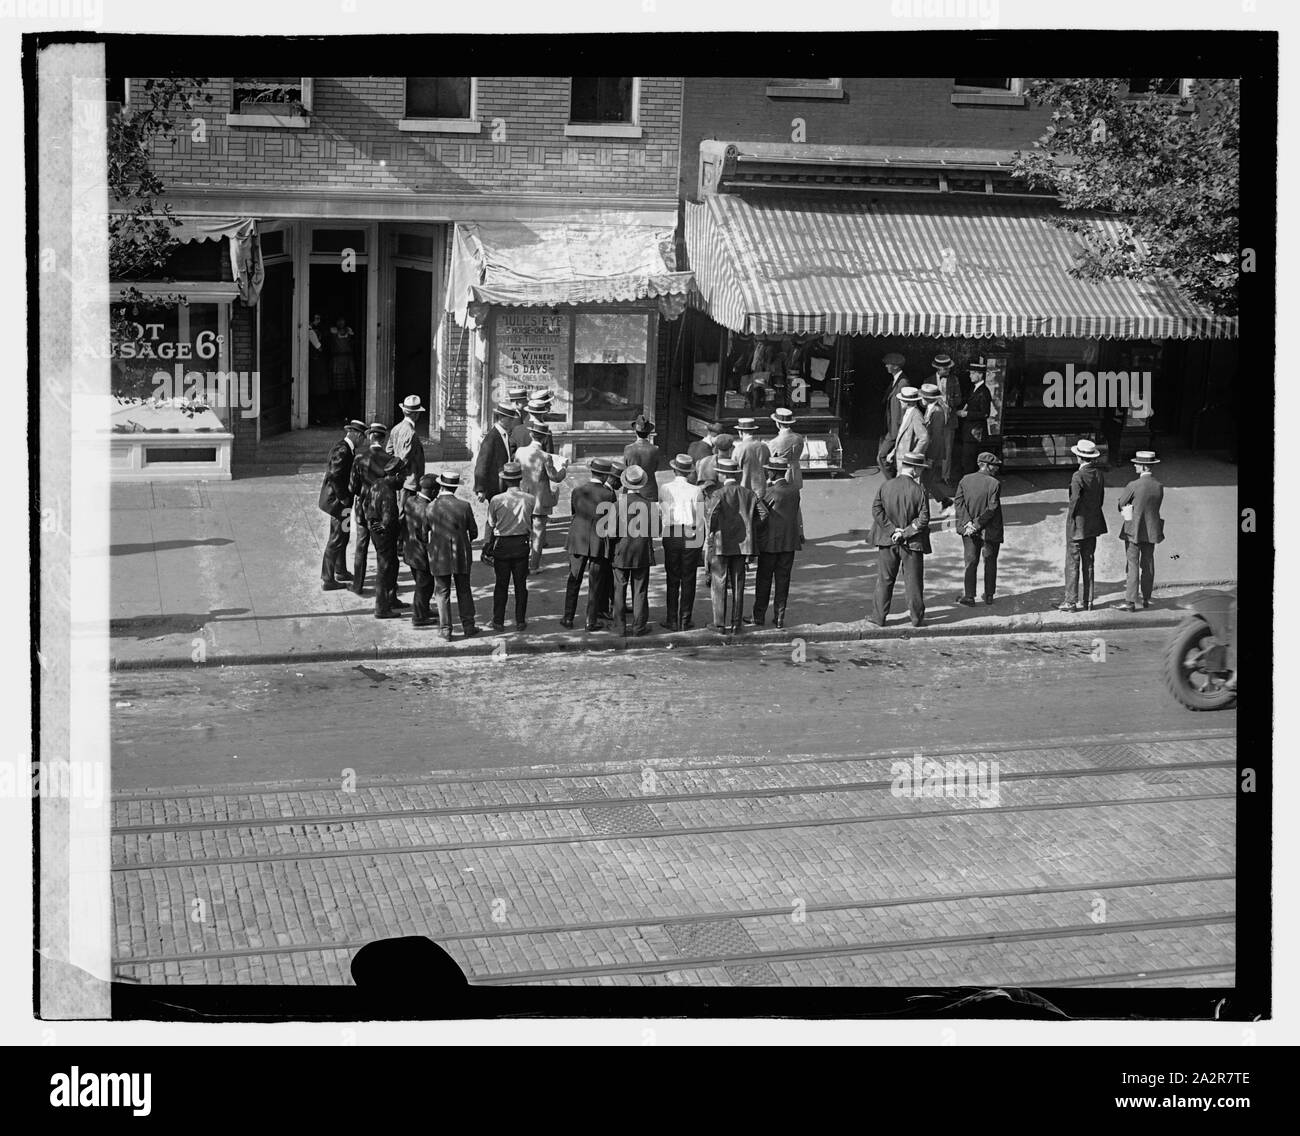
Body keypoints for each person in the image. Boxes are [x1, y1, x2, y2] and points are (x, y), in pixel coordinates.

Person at [868, 451, 931, 628]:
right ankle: (917, 618)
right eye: (921, 469)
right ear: (915, 469)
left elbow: (876, 510)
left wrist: (891, 530)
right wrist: (905, 532)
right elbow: (924, 519)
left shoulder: (886, 486)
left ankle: (879, 617)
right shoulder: (919, 490)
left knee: (885, 580)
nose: (921, 472)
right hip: (913, 543)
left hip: (887, 541)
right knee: (914, 581)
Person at [705, 455, 766, 635]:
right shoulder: (749, 494)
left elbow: (712, 515)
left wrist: (713, 530)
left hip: (720, 543)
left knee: (719, 582)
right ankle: (736, 623)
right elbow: (763, 514)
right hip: (743, 545)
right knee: (739, 583)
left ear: (723, 476)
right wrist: (749, 528)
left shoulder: (718, 493)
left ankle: (719, 624)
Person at [563, 457, 616, 632]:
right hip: (597, 542)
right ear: (605, 476)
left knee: (574, 579)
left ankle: (568, 617)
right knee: (595, 582)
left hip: (577, 539)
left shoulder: (577, 491)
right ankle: (590, 621)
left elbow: (574, 513)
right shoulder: (608, 495)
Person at [752, 455, 804, 629]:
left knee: (764, 581)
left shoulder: (771, 492)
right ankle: (779, 617)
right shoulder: (794, 490)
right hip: (789, 543)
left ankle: (758, 616)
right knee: (783, 581)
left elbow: (761, 514)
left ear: (772, 472)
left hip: (770, 543)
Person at [428, 471, 479, 639]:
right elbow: (474, 532)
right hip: (461, 554)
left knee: (442, 592)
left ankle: (446, 629)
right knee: (464, 589)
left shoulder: (431, 507)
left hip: (439, 554)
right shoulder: (464, 506)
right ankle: (469, 626)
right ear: (455, 488)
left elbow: (422, 533)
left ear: (441, 486)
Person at [485, 461, 535, 632]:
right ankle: (520, 620)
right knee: (521, 585)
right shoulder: (530, 499)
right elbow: (534, 525)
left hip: (502, 545)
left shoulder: (496, 500)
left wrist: (486, 544)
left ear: (505, 481)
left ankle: (498, 620)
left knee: (501, 585)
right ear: (519, 479)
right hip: (522, 544)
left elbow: (490, 524)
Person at [1061, 438, 1107, 613]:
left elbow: (1074, 501)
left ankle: (1070, 602)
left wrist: (1071, 520)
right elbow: (1100, 499)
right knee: (1089, 562)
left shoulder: (1077, 476)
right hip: (1093, 524)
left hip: (1077, 525)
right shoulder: (1098, 474)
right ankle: (1088, 601)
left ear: (1079, 458)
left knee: (1072, 562)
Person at [658, 453, 704, 630]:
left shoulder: (664, 488)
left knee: (672, 577)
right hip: (691, 533)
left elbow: (663, 509)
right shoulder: (696, 491)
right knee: (689, 578)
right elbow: (699, 519)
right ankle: (685, 619)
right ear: (689, 472)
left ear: (673, 470)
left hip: (672, 533)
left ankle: (671, 619)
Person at [514, 421, 568, 571]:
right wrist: (563, 468)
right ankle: (534, 566)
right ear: (545, 439)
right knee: (538, 533)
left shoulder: (519, 452)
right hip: (539, 500)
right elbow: (555, 477)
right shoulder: (545, 456)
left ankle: (520, 564)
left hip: (522, 497)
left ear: (531, 434)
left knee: (522, 531)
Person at [317, 420, 364, 590]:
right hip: (338, 503)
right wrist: (343, 497)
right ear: (357, 435)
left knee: (343, 535)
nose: (363, 442)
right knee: (337, 538)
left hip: (341, 503)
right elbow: (335, 475)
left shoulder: (346, 448)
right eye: (363, 438)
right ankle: (328, 578)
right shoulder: (343, 450)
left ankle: (340, 570)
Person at [953, 451, 1004, 607]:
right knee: (990, 561)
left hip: (969, 530)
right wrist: (977, 525)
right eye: (993, 466)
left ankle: (969, 596)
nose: (996, 469)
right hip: (989, 531)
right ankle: (989, 595)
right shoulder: (994, 484)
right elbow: (992, 508)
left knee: (970, 561)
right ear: (985, 465)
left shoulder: (965, 480)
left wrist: (969, 523)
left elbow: (959, 503)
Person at [1115, 450, 1164, 612]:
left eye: (1137, 463)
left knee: (1133, 564)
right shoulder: (1158, 486)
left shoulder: (1133, 485)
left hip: (1133, 531)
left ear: (1143, 467)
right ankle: (1146, 598)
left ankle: (1130, 602)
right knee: (1148, 564)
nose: (1135, 465)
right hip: (1151, 531)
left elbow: (1122, 504)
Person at [611, 465, 656, 636]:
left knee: (619, 589)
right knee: (640, 590)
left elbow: (610, 531)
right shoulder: (649, 505)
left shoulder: (616, 505)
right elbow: (656, 530)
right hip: (642, 552)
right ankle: (639, 626)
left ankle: (619, 627)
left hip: (621, 552)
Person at [347, 421, 388, 596]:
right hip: (380, 509)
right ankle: (384, 588)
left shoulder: (359, 458)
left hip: (362, 507)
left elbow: (352, 487)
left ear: (370, 437)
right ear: (383, 439)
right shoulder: (390, 460)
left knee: (361, 546)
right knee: (383, 550)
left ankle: (358, 585)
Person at [364, 459, 403, 619]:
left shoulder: (377, 483)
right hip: (385, 537)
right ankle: (381, 607)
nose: (404, 480)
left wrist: (370, 521)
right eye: (403, 477)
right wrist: (385, 525)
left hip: (378, 533)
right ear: (397, 475)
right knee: (385, 568)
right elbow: (389, 516)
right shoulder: (388, 492)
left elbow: (365, 504)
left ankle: (391, 599)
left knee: (393, 564)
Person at [387, 394, 426, 544]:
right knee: (405, 512)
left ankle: (400, 541)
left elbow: (389, 452)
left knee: (400, 509)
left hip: (399, 480)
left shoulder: (396, 429)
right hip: (408, 480)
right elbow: (404, 459)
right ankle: (400, 543)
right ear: (416, 414)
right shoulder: (411, 434)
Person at [404, 474, 439, 628]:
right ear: (433, 491)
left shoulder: (410, 501)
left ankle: (424, 610)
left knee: (425, 584)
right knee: (423, 585)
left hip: (410, 550)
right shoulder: (428, 509)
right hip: (422, 554)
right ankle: (419, 616)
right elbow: (426, 536)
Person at [474, 403, 520, 503]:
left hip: (503, 485)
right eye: (510, 419)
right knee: (495, 515)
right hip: (494, 486)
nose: (512, 422)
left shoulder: (504, 434)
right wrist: (480, 489)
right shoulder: (491, 438)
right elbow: (482, 464)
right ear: (502, 418)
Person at [956, 361, 994, 478]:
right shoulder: (974, 389)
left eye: (973, 373)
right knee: (967, 460)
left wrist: (966, 414)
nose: (970, 376)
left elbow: (985, 414)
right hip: (970, 432)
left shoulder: (983, 392)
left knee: (970, 462)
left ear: (980, 375)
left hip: (976, 433)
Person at [876, 352, 909, 479]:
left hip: (894, 429)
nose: (886, 366)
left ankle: (892, 483)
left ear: (895, 366)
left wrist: (897, 431)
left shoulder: (903, 383)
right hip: (890, 428)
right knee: (887, 458)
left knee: (881, 457)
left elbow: (903, 409)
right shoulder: (896, 381)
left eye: (888, 364)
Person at [932, 354, 963, 485]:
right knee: (932, 450)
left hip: (949, 421)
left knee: (948, 450)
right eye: (946, 369)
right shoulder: (928, 381)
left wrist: (949, 403)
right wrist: (933, 402)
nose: (949, 370)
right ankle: (931, 477)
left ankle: (946, 477)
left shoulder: (954, 379)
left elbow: (959, 399)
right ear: (939, 368)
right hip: (933, 421)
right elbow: (922, 402)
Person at [920, 383, 951, 507]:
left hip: (932, 452)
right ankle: (944, 500)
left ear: (927, 398)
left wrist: (931, 458)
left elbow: (937, 437)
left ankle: (923, 517)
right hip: (930, 450)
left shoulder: (937, 412)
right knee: (927, 480)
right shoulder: (931, 408)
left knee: (924, 484)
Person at [887, 386, 928, 478]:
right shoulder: (908, 413)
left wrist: (913, 456)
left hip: (908, 463)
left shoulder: (916, 415)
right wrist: (893, 451)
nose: (900, 401)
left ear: (907, 402)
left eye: (902, 400)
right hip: (901, 460)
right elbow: (902, 436)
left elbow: (924, 438)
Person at [623, 415, 662, 502]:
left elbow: (626, 467)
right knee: (650, 515)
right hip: (649, 490)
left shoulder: (628, 449)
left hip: (631, 488)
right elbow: (655, 468)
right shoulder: (655, 449)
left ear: (635, 432)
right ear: (648, 433)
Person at [767, 407, 805, 492]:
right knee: (795, 499)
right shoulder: (799, 437)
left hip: (782, 475)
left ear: (778, 423)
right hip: (796, 472)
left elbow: (771, 461)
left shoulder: (774, 442)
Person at [328, 317, 358, 419]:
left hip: (348, 361)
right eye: (339, 320)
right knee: (338, 388)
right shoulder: (333, 331)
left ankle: (348, 411)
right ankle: (340, 410)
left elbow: (354, 343)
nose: (341, 322)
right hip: (337, 361)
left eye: (342, 320)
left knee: (349, 388)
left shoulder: (349, 332)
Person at [732, 417, 771, 495]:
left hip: (744, 490)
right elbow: (768, 469)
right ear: (753, 430)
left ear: (740, 432)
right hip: (761, 488)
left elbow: (734, 471)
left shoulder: (738, 449)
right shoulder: (764, 446)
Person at [307, 314, 329, 424]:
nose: (318, 321)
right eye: (316, 319)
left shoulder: (314, 330)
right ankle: (317, 416)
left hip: (315, 362)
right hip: (316, 363)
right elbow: (318, 347)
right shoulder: (311, 332)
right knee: (317, 389)